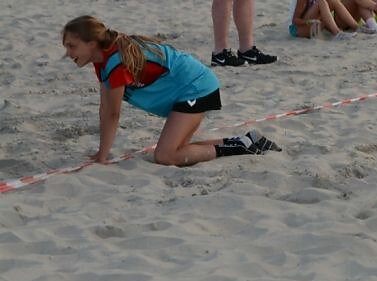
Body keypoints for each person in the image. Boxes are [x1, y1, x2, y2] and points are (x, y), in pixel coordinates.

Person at [62, 16, 281, 167]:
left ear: (92, 44)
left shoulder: (115, 62)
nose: (67, 53)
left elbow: (112, 114)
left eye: (72, 46)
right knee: (178, 149)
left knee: (166, 156)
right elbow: (105, 107)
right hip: (191, 86)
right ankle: (247, 140)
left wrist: (102, 157)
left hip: (196, 88)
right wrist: (102, 154)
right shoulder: (102, 59)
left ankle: (243, 148)